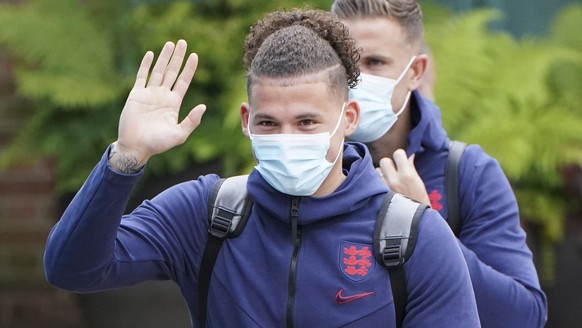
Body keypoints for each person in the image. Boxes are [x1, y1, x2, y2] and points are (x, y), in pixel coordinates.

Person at [43, 8, 480, 327]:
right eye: (270, 123)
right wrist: (125, 157)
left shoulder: (415, 236)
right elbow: (71, 269)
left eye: (307, 122)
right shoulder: (204, 213)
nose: (287, 137)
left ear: (347, 118)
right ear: (247, 121)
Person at [330, 0, 548, 327]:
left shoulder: (468, 173)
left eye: (376, 62)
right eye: (346, 64)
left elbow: (522, 316)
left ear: (415, 72)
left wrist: (426, 227)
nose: (357, 79)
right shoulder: (306, 168)